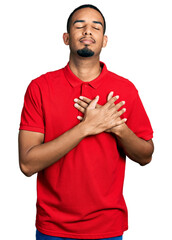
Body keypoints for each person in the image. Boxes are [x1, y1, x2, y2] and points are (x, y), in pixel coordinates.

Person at [18, 4, 154, 240]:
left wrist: (117, 127)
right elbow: (27, 165)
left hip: (107, 227)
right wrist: (85, 127)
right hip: (53, 227)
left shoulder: (125, 89)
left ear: (104, 40)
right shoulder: (40, 88)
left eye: (96, 27)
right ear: (66, 37)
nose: (87, 32)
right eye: (79, 26)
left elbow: (146, 155)